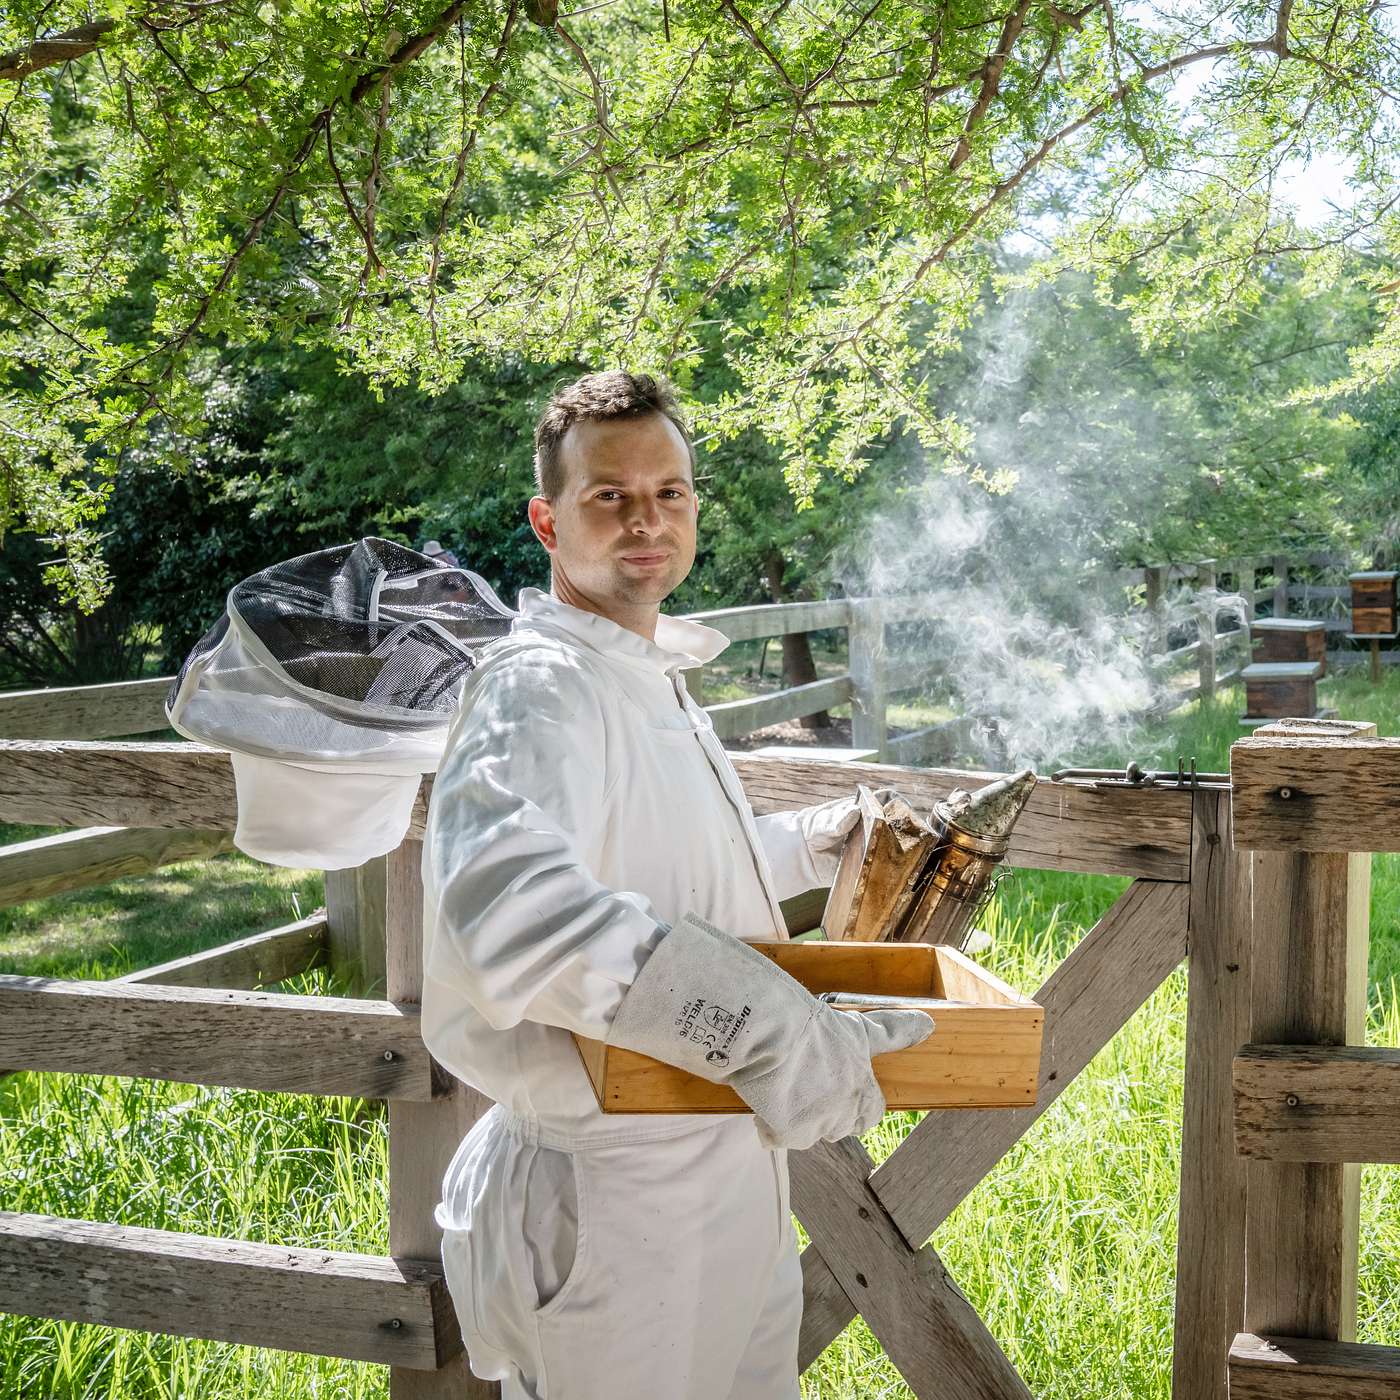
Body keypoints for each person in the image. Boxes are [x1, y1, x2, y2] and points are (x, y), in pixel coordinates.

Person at [420, 370, 934, 1399]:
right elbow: (518, 915)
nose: (645, 519)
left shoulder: (638, 672)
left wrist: (807, 842)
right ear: (546, 520)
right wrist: (771, 1028)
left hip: (726, 1172)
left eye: (669, 491)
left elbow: (665, 875)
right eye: (608, 495)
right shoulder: (538, 685)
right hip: (611, 1191)